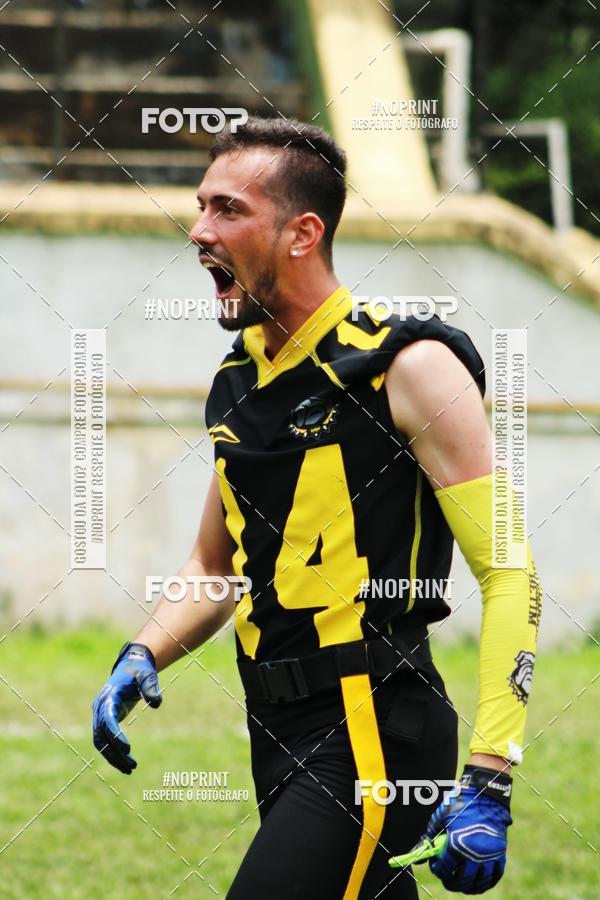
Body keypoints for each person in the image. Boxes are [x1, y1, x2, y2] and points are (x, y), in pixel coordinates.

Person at [92, 117, 542, 898]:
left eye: (228, 209)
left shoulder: (410, 366)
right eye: (201, 206)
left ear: (303, 233)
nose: (199, 231)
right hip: (277, 728)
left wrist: (491, 777)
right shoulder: (242, 380)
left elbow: (511, 572)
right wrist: (142, 655)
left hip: (372, 730)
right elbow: (214, 563)